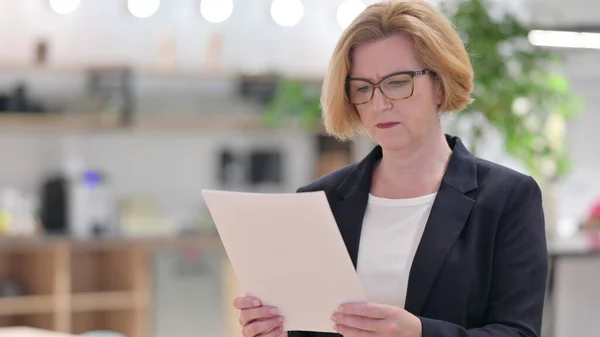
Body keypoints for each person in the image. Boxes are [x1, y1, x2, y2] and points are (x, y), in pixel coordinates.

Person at [234, 0, 548, 336]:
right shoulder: (319, 201)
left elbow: (519, 332)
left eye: (397, 82)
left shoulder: (507, 199)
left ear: (440, 84)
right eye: (363, 88)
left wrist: (420, 334)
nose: (379, 103)